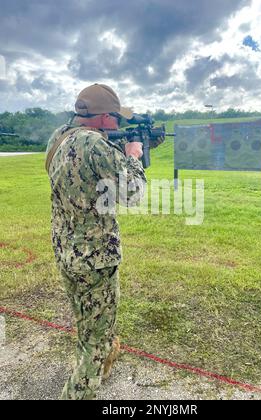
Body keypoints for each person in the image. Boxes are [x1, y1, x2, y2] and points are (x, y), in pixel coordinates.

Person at [46, 83, 146, 400]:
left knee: (87, 323)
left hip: (67, 251)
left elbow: (84, 180)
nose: (118, 124)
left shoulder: (60, 136)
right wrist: (133, 156)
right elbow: (133, 194)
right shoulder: (93, 145)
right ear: (103, 118)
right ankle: (80, 389)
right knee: (97, 341)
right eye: (115, 118)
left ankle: (101, 365)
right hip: (96, 259)